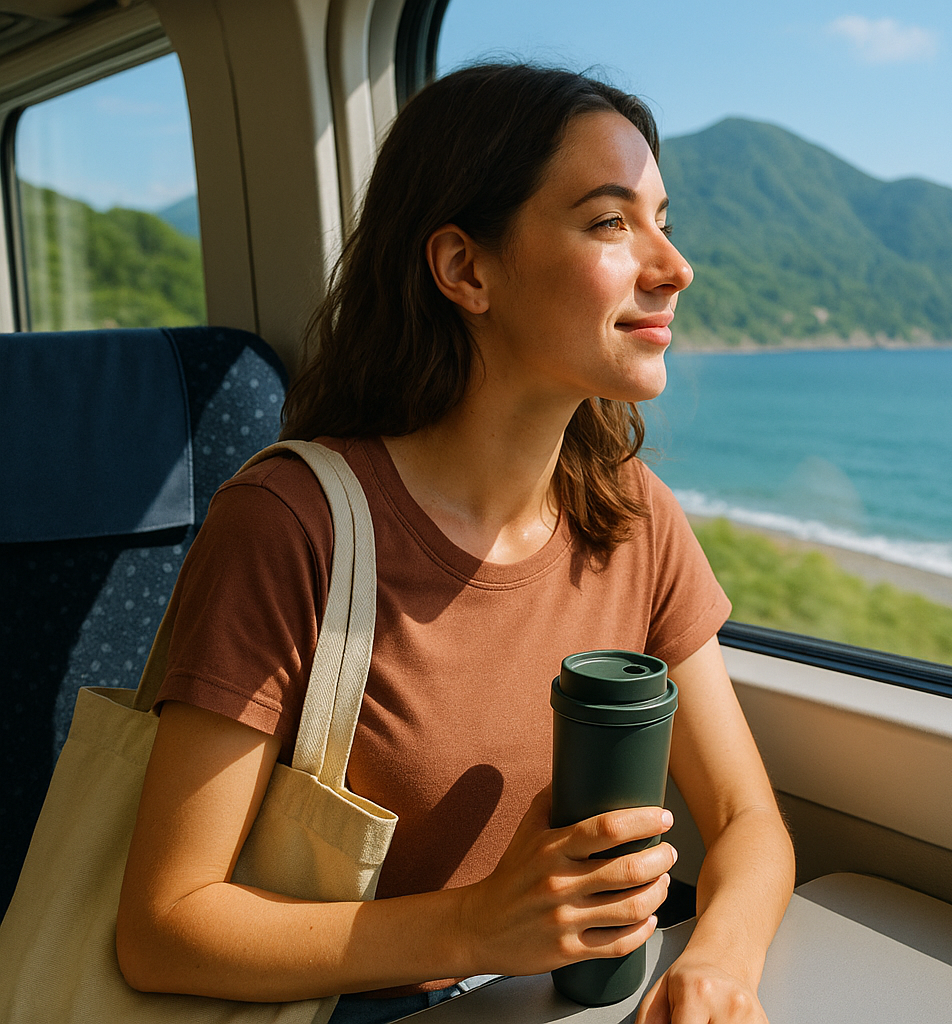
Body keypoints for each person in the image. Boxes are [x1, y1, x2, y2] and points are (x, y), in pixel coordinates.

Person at [114, 63, 794, 1024]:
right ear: (466, 270)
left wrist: (718, 963)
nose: (674, 266)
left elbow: (747, 821)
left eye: (662, 221)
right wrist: (477, 928)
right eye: (610, 223)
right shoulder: (290, 524)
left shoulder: (633, 517)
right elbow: (163, 927)